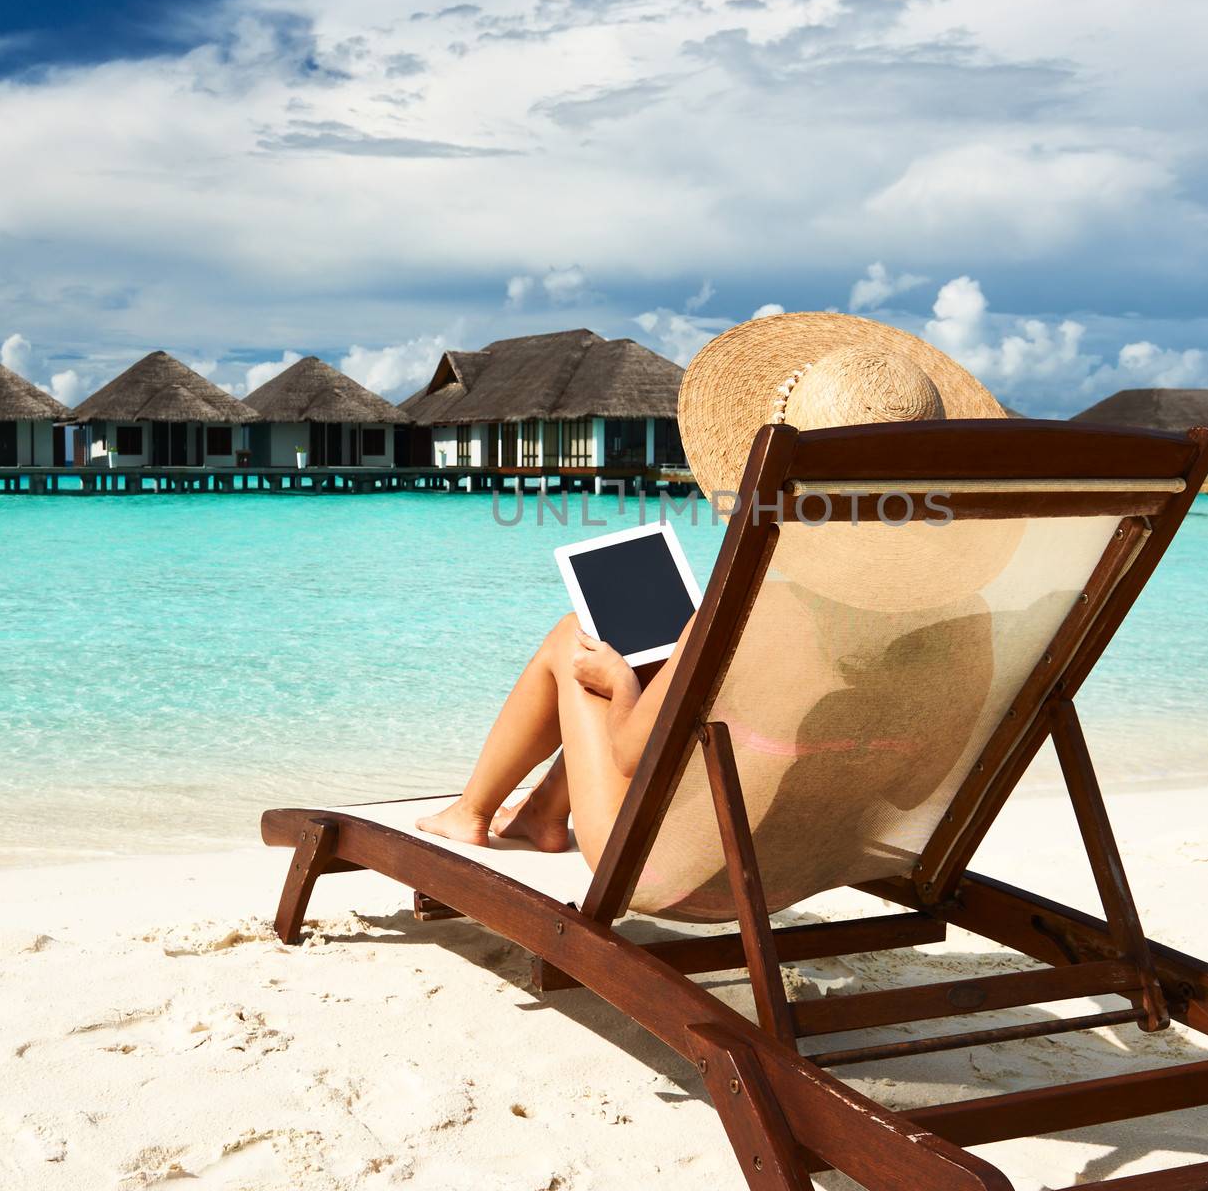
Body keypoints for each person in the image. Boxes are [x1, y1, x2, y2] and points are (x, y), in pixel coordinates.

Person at [414, 311, 1010, 872]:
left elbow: (628, 753)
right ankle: (544, 812)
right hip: (806, 856)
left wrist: (625, 687)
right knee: (676, 667)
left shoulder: (755, 613)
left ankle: (470, 812)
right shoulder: (965, 623)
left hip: (671, 865)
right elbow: (917, 791)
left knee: (581, 637)